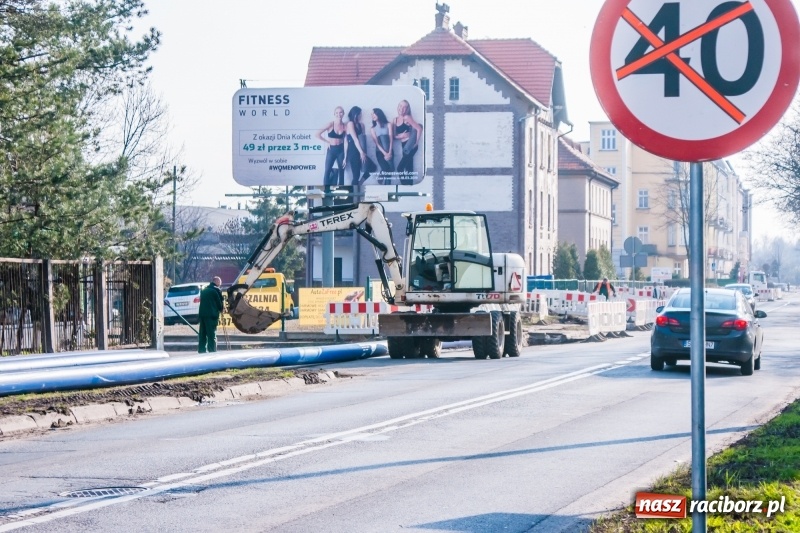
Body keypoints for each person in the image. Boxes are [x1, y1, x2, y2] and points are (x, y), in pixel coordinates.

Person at [393, 99, 423, 183]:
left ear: (407, 109)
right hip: (404, 146)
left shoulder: (407, 117)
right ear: (398, 107)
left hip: (410, 145)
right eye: (400, 106)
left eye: (404, 108)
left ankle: (405, 186)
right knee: (409, 168)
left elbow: (419, 129)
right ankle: (409, 187)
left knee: (400, 168)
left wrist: (416, 143)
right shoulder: (395, 120)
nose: (402, 109)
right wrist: (401, 136)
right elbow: (394, 136)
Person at [344, 106, 375, 187]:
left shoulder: (362, 125)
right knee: (356, 175)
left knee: (373, 167)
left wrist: (363, 152)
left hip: (361, 149)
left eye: (360, 114)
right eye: (359, 114)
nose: (360, 116)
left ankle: (360, 183)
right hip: (353, 150)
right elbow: (355, 139)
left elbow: (363, 140)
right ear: (355, 114)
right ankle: (353, 196)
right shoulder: (350, 124)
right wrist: (361, 153)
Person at [316, 106, 347, 186]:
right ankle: (326, 191)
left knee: (341, 171)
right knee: (327, 170)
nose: (338, 114)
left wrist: (346, 156)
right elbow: (317, 134)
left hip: (341, 150)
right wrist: (327, 142)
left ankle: (341, 189)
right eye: (336, 113)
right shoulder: (330, 124)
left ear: (343, 114)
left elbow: (346, 141)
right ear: (334, 114)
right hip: (331, 150)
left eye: (340, 112)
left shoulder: (345, 126)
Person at [198, 276, 224, 353]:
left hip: (202, 315)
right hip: (211, 316)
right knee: (211, 334)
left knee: (202, 334)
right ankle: (212, 351)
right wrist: (222, 309)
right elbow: (220, 304)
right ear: (217, 282)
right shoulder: (216, 290)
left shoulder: (204, 290)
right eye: (220, 283)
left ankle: (201, 350)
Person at [370, 107, 394, 183]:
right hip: (379, 152)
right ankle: (382, 175)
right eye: (372, 114)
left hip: (389, 150)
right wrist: (385, 154)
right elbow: (376, 143)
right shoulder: (372, 129)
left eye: (374, 113)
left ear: (379, 114)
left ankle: (388, 187)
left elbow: (391, 138)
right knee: (387, 169)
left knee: (390, 171)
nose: (372, 115)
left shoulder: (389, 124)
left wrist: (389, 152)